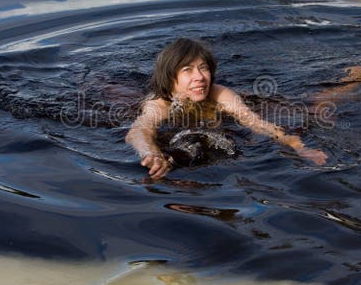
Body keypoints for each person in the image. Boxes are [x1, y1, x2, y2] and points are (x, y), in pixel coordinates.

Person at [126, 38, 329, 179]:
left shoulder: (219, 94)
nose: (199, 77)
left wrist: (300, 148)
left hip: (215, 111)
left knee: (299, 105)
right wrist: (151, 153)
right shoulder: (159, 104)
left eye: (203, 67)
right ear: (171, 78)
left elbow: (254, 122)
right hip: (134, 97)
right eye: (187, 70)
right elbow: (139, 131)